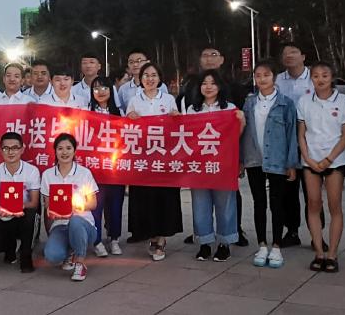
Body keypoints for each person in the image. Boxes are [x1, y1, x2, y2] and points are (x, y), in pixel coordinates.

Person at [178, 46, 249, 247]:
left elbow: (236, 134)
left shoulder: (231, 105)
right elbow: (183, 132)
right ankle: (204, 241)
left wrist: (242, 123)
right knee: (200, 203)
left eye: (213, 83)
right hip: (199, 164)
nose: (208, 87)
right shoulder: (192, 106)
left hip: (223, 163)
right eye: (204, 83)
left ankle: (227, 240)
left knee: (226, 202)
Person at [240, 60, 298, 269]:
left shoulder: (286, 103)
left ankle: (277, 246)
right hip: (254, 159)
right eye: (258, 75)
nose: (262, 79)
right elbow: (243, 133)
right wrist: (241, 160)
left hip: (278, 159)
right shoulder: (249, 103)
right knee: (259, 203)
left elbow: (292, 134)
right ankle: (262, 245)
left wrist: (292, 163)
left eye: (266, 75)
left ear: (274, 77)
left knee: (277, 203)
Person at [297, 62, 345, 273]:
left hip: (335, 161)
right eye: (316, 76)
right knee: (313, 204)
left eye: (325, 75)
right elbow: (301, 134)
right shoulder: (304, 101)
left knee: (334, 205)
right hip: (310, 160)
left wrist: (329, 159)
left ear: (332, 77)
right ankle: (319, 252)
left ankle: (333, 254)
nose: (320, 79)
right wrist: (307, 158)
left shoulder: (344, 101)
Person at [126, 63, 182, 260]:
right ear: (140, 79)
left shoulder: (168, 99)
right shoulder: (134, 100)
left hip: (164, 159)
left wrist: (176, 118)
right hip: (142, 159)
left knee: (164, 197)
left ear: (159, 78)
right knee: (145, 198)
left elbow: (177, 128)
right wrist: (130, 117)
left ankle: (161, 239)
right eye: (146, 75)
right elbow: (127, 129)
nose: (150, 79)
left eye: (154, 75)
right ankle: (150, 235)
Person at [41, 133, 99, 282]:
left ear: (74, 151)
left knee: (75, 221)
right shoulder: (48, 175)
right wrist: (53, 212)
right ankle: (70, 251)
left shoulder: (84, 173)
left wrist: (75, 206)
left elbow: (93, 203)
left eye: (68, 148)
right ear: (55, 151)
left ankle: (80, 262)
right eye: (60, 148)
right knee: (52, 255)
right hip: (60, 224)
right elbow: (48, 204)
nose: (64, 152)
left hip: (83, 224)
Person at [276, 42, 316, 247]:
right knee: (288, 191)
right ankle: (292, 231)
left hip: (311, 141)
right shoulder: (277, 80)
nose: (289, 56)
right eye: (285, 53)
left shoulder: (314, 78)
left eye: (293, 52)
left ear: (303, 56)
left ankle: (317, 235)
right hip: (286, 141)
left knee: (312, 192)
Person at [0, 131, 40, 272]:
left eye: (15, 148)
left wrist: (17, 207)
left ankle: (26, 256)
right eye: (6, 148)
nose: (10, 152)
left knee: (30, 214)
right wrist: (4, 209)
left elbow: (34, 203)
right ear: (0, 150)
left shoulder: (32, 171)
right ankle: (10, 246)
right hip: (3, 215)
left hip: (24, 214)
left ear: (22, 149)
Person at [87, 76, 125, 256]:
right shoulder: (85, 112)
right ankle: (96, 241)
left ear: (111, 91)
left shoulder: (120, 113)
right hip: (94, 169)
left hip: (115, 169)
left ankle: (114, 238)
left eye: (104, 88)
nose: (100, 92)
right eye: (96, 88)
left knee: (115, 206)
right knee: (95, 206)